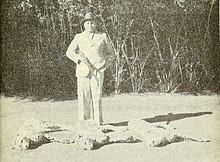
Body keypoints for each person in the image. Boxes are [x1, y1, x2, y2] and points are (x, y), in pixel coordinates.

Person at [66, 11, 114, 125]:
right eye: (87, 23)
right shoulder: (79, 37)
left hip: (98, 70)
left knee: (96, 97)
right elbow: (69, 52)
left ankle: (98, 123)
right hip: (83, 70)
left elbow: (111, 54)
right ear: (84, 25)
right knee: (84, 98)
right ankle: (85, 124)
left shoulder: (102, 36)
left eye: (92, 23)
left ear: (96, 24)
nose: (90, 25)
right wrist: (78, 60)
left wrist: (104, 65)